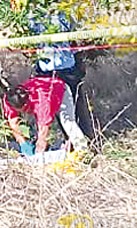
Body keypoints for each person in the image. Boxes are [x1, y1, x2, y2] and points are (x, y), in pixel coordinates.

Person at [29, 11, 95, 144]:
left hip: (67, 69)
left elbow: (73, 30)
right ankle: (71, 143)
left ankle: (87, 142)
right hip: (46, 70)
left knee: (76, 107)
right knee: (60, 112)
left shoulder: (62, 11)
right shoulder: (34, 14)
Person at [2, 74, 89, 156]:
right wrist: (23, 143)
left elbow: (44, 130)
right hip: (42, 101)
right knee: (34, 129)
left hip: (60, 92)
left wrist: (38, 154)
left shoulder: (41, 100)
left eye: (25, 109)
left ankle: (83, 151)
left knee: (68, 123)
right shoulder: (9, 100)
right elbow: (13, 122)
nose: (25, 111)